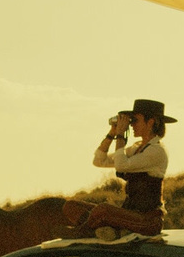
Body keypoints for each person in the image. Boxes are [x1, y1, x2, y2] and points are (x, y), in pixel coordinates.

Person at [66, 98, 175, 240]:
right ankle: (110, 231)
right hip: (129, 214)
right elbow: (99, 160)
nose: (132, 125)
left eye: (135, 120)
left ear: (151, 122)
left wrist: (120, 136)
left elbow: (121, 165)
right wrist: (112, 133)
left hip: (146, 220)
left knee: (103, 210)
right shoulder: (137, 148)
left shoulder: (157, 151)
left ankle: (84, 232)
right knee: (71, 206)